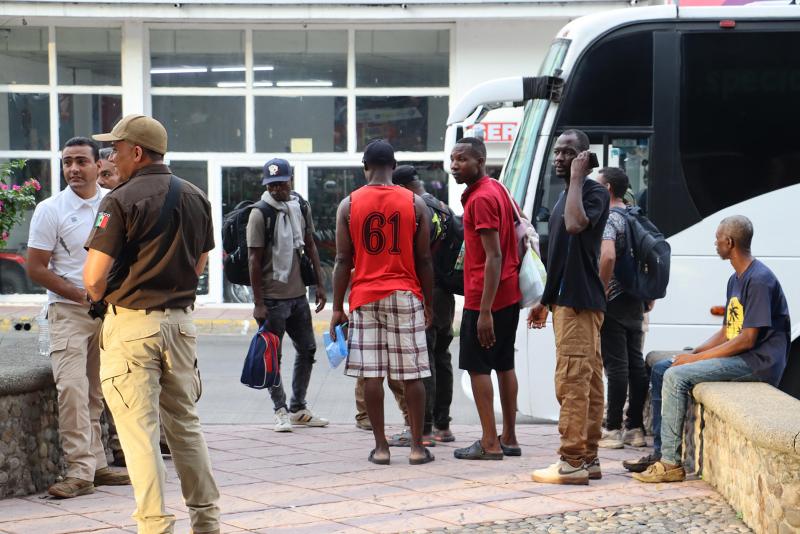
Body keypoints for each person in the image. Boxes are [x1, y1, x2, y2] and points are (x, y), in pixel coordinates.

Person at [83, 114, 220, 534]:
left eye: (117, 149)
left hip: (131, 327)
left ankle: (155, 524)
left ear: (137, 152)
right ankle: (206, 521)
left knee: (139, 432)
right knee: (186, 427)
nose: (112, 157)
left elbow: (93, 278)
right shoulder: (196, 196)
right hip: (180, 325)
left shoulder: (119, 200)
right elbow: (200, 263)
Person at [632, 215, 790, 483]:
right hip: (742, 355)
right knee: (662, 367)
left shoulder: (760, 280)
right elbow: (729, 331)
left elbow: (747, 339)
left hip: (757, 362)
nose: (714, 243)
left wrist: (695, 360)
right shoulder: (735, 279)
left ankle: (671, 463)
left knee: (676, 375)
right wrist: (692, 354)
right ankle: (660, 453)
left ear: (729, 242)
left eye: (717, 238)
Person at [26, 137, 131, 498]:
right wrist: (79, 294)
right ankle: (78, 472)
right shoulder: (50, 209)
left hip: (109, 312)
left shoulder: (113, 204)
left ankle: (97, 466)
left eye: (80, 161)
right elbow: (36, 268)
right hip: (67, 311)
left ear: (95, 165)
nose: (73, 168)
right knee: (71, 390)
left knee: (96, 393)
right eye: (67, 162)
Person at [329, 139, 435, 466]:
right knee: (413, 374)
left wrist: (337, 307)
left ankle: (381, 447)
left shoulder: (348, 204)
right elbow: (424, 259)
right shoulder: (415, 203)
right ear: (393, 166)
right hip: (405, 293)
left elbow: (342, 259)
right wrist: (428, 302)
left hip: (364, 295)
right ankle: (417, 447)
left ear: (365, 167)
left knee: (371, 375)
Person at [528, 129, 610, 484]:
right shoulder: (567, 196)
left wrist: (579, 177)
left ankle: (572, 461)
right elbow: (559, 257)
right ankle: (588, 458)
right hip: (566, 301)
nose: (559, 158)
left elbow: (577, 227)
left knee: (573, 380)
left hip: (580, 303)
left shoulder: (590, 193)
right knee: (587, 381)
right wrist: (545, 301)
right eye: (557, 152)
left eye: (568, 152)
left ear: (584, 157)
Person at [450, 137, 521, 461]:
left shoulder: (480, 198)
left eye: (461, 159)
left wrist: (484, 312)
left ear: (480, 161)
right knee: (505, 364)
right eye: (452, 159)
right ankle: (510, 436)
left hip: (485, 298)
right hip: (509, 291)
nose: (454, 166)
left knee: (478, 368)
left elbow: (493, 256)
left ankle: (490, 442)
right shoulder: (498, 189)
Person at [248, 158, 328, 432]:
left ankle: (298, 407)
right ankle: (279, 409)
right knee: (273, 357)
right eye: (271, 185)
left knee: (308, 349)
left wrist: (319, 283)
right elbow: (253, 260)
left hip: (297, 296)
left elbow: (310, 245)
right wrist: (258, 302)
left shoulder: (300, 206)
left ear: (290, 179)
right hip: (271, 299)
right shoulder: (260, 213)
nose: (277, 189)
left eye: (281, 182)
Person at [393, 164, 457, 444]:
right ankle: (443, 425)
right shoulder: (442, 206)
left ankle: (425, 428)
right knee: (441, 357)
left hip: (426, 291)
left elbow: (419, 257)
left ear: (403, 186)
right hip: (446, 293)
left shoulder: (417, 209)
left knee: (424, 360)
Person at [596, 167, 648, 450]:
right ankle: (636, 429)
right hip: (635, 298)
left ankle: (613, 429)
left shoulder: (610, 218)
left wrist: (601, 291)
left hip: (614, 299)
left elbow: (607, 256)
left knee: (616, 365)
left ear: (606, 189)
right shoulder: (634, 214)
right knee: (635, 363)